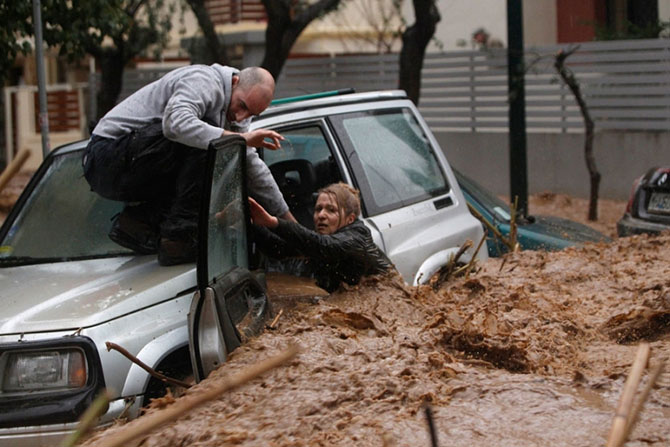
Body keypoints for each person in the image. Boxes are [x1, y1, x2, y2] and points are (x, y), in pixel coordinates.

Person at [82, 64, 294, 266]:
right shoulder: (203, 80)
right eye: (242, 106)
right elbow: (175, 124)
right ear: (235, 81)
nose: (240, 117)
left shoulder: (236, 113)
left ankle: (137, 223)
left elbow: (250, 165)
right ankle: (177, 240)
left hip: (136, 165)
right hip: (105, 158)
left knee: (222, 161)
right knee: (210, 141)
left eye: (251, 114)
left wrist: (290, 225)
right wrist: (240, 139)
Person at [248, 182, 394, 293]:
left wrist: (274, 222)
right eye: (318, 209)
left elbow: (324, 246)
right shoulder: (322, 240)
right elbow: (278, 249)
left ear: (350, 219)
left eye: (331, 210)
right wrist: (250, 222)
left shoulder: (357, 237)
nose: (321, 215)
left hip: (389, 295)